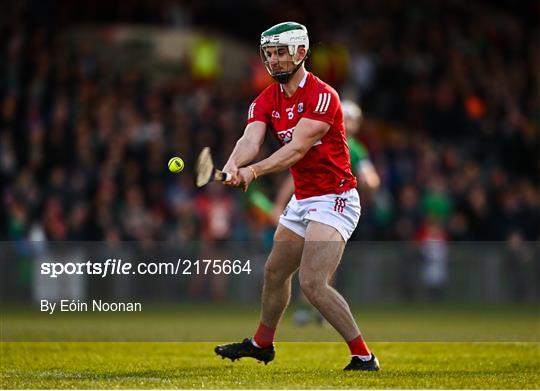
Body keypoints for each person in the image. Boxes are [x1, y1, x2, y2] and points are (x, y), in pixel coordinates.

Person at [214, 22, 379, 371]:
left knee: (313, 283)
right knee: (274, 272)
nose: (273, 61)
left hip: (335, 198)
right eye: (269, 54)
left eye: (280, 53)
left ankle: (364, 356)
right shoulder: (265, 99)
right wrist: (232, 165)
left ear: (301, 53)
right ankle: (262, 344)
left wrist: (253, 172)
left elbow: (296, 149)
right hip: (303, 199)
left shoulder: (323, 96)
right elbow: (251, 140)